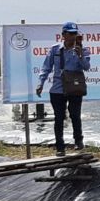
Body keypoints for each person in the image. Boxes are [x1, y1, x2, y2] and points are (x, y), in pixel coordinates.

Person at [36, 21, 91, 156]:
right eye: (70, 34)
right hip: (57, 89)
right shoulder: (55, 49)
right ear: (63, 35)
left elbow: (86, 67)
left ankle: (78, 141)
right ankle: (60, 147)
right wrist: (40, 83)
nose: (73, 37)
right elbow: (46, 67)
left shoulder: (83, 50)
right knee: (59, 118)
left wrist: (80, 55)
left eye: (75, 34)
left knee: (75, 115)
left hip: (74, 88)